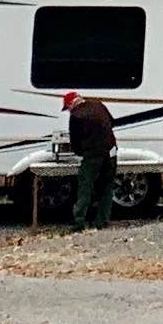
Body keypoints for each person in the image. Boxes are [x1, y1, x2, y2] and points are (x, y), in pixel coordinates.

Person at [64, 91, 119, 232]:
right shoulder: (98, 104)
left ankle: (79, 221)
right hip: (111, 150)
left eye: (67, 107)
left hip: (93, 154)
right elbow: (112, 123)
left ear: (71, 104)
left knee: (85, 187)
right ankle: (102, 221)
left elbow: (75, 142)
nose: (68, 110)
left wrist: (80, 153)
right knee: (107, 186)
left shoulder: (75, 116)